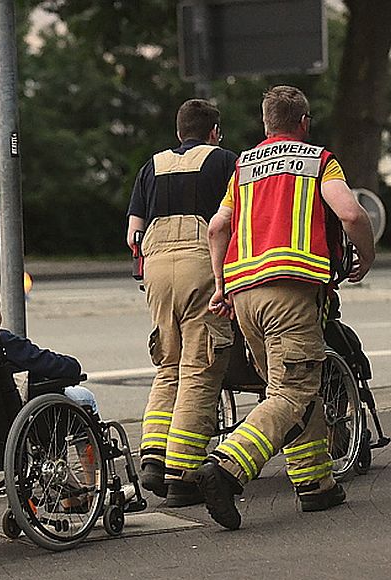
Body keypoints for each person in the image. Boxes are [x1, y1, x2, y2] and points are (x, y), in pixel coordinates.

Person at [195, 85, 376, 530]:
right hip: (290, 293)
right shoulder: (319, 160)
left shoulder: (243, 167)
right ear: (304, 123)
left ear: (264, 123)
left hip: (244, 297)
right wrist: (366, 256)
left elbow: (218, 227)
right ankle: (225, 468)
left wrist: (221, 284)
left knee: (293, 388)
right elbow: (351, 214)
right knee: (291, 393)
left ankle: (316, 485)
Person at [126, 99, 236, 507]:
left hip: (156, 267)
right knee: (200, 367)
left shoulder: (150, 166)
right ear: (213, 132)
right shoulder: (225, 161)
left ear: (178, 133)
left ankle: (154, 454)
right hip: (201, 263)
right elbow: (232, 223)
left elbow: (133, 232)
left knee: (168, 363)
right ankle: (184, 474)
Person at [0, 279, 99, 415]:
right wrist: (73, 366)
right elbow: (53, 365)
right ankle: (88, 453)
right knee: (84, 397)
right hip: (10, 415)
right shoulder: (0, 341)